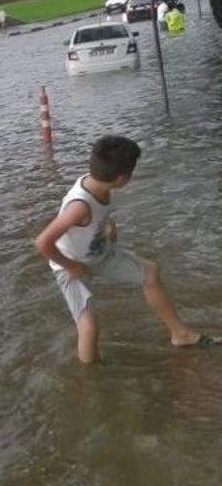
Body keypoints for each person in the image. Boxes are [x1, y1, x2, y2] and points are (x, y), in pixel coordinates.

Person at [35, 136, 218, 363]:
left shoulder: (98, 184)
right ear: (124, 178)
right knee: (89, 326)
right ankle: (90, 381)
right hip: (70, 264)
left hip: (99, 254)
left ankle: (179, 334)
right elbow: (43, 242)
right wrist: (70, 265)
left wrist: (109, 226)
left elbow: (100, 213)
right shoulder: (79, 206)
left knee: (150, 272)